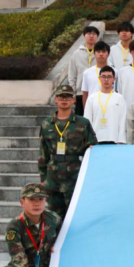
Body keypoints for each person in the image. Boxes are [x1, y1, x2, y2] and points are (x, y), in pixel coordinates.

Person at [38, 85, 97, 219]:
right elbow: (43, 152)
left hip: (75, 175)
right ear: (55, 99)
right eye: (61, 97)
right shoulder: (47, 124)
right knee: (54, 217)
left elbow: (92, 149)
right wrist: (43, 178)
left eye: (68, 97)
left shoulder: (83, 123)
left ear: (73, 100)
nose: (64, 100)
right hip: (53, 178)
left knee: (76, 216)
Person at [83, 66, 127, 144]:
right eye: (103, 76)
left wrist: (120, 140)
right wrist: (89, 140)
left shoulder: (119, 98)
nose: (106, 79)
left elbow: (122, 121)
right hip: (95, 140)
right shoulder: (92, 98)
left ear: (114, 79)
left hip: (114, 139)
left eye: (109, 77)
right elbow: (87, 120)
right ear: (99, 78)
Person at [67, 26, 99, 116]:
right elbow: (72, 75)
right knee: (81, 119)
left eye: (94, 34)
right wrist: (73, 94)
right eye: (89, 34)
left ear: (97, 36)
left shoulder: (101, 53)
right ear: (84, 36)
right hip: (80, 93)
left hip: (97, 92)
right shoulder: (76, 54)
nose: (91, 36)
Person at [80, 41, 110, 107]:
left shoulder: (115, 72)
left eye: (104, 52)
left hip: (110, 104)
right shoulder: (87, 73)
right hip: (93, 105)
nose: (101, 54)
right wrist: (86, 109)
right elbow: (85, 93)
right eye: (98, 52)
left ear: (108, 54)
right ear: (94, 54)